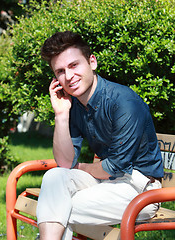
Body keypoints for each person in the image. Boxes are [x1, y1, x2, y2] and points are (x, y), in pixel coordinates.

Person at [36, 31, 164, 240]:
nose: (68, 76)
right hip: (107, 183)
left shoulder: (124, 102)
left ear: (92, 62)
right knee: (54, 178)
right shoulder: (75, 105)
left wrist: (81, 168)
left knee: (58, 207)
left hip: (141, 189)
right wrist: (61, 114)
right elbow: (64, 163)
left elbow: (116, 166)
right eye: (60, 71)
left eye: (74, 65)